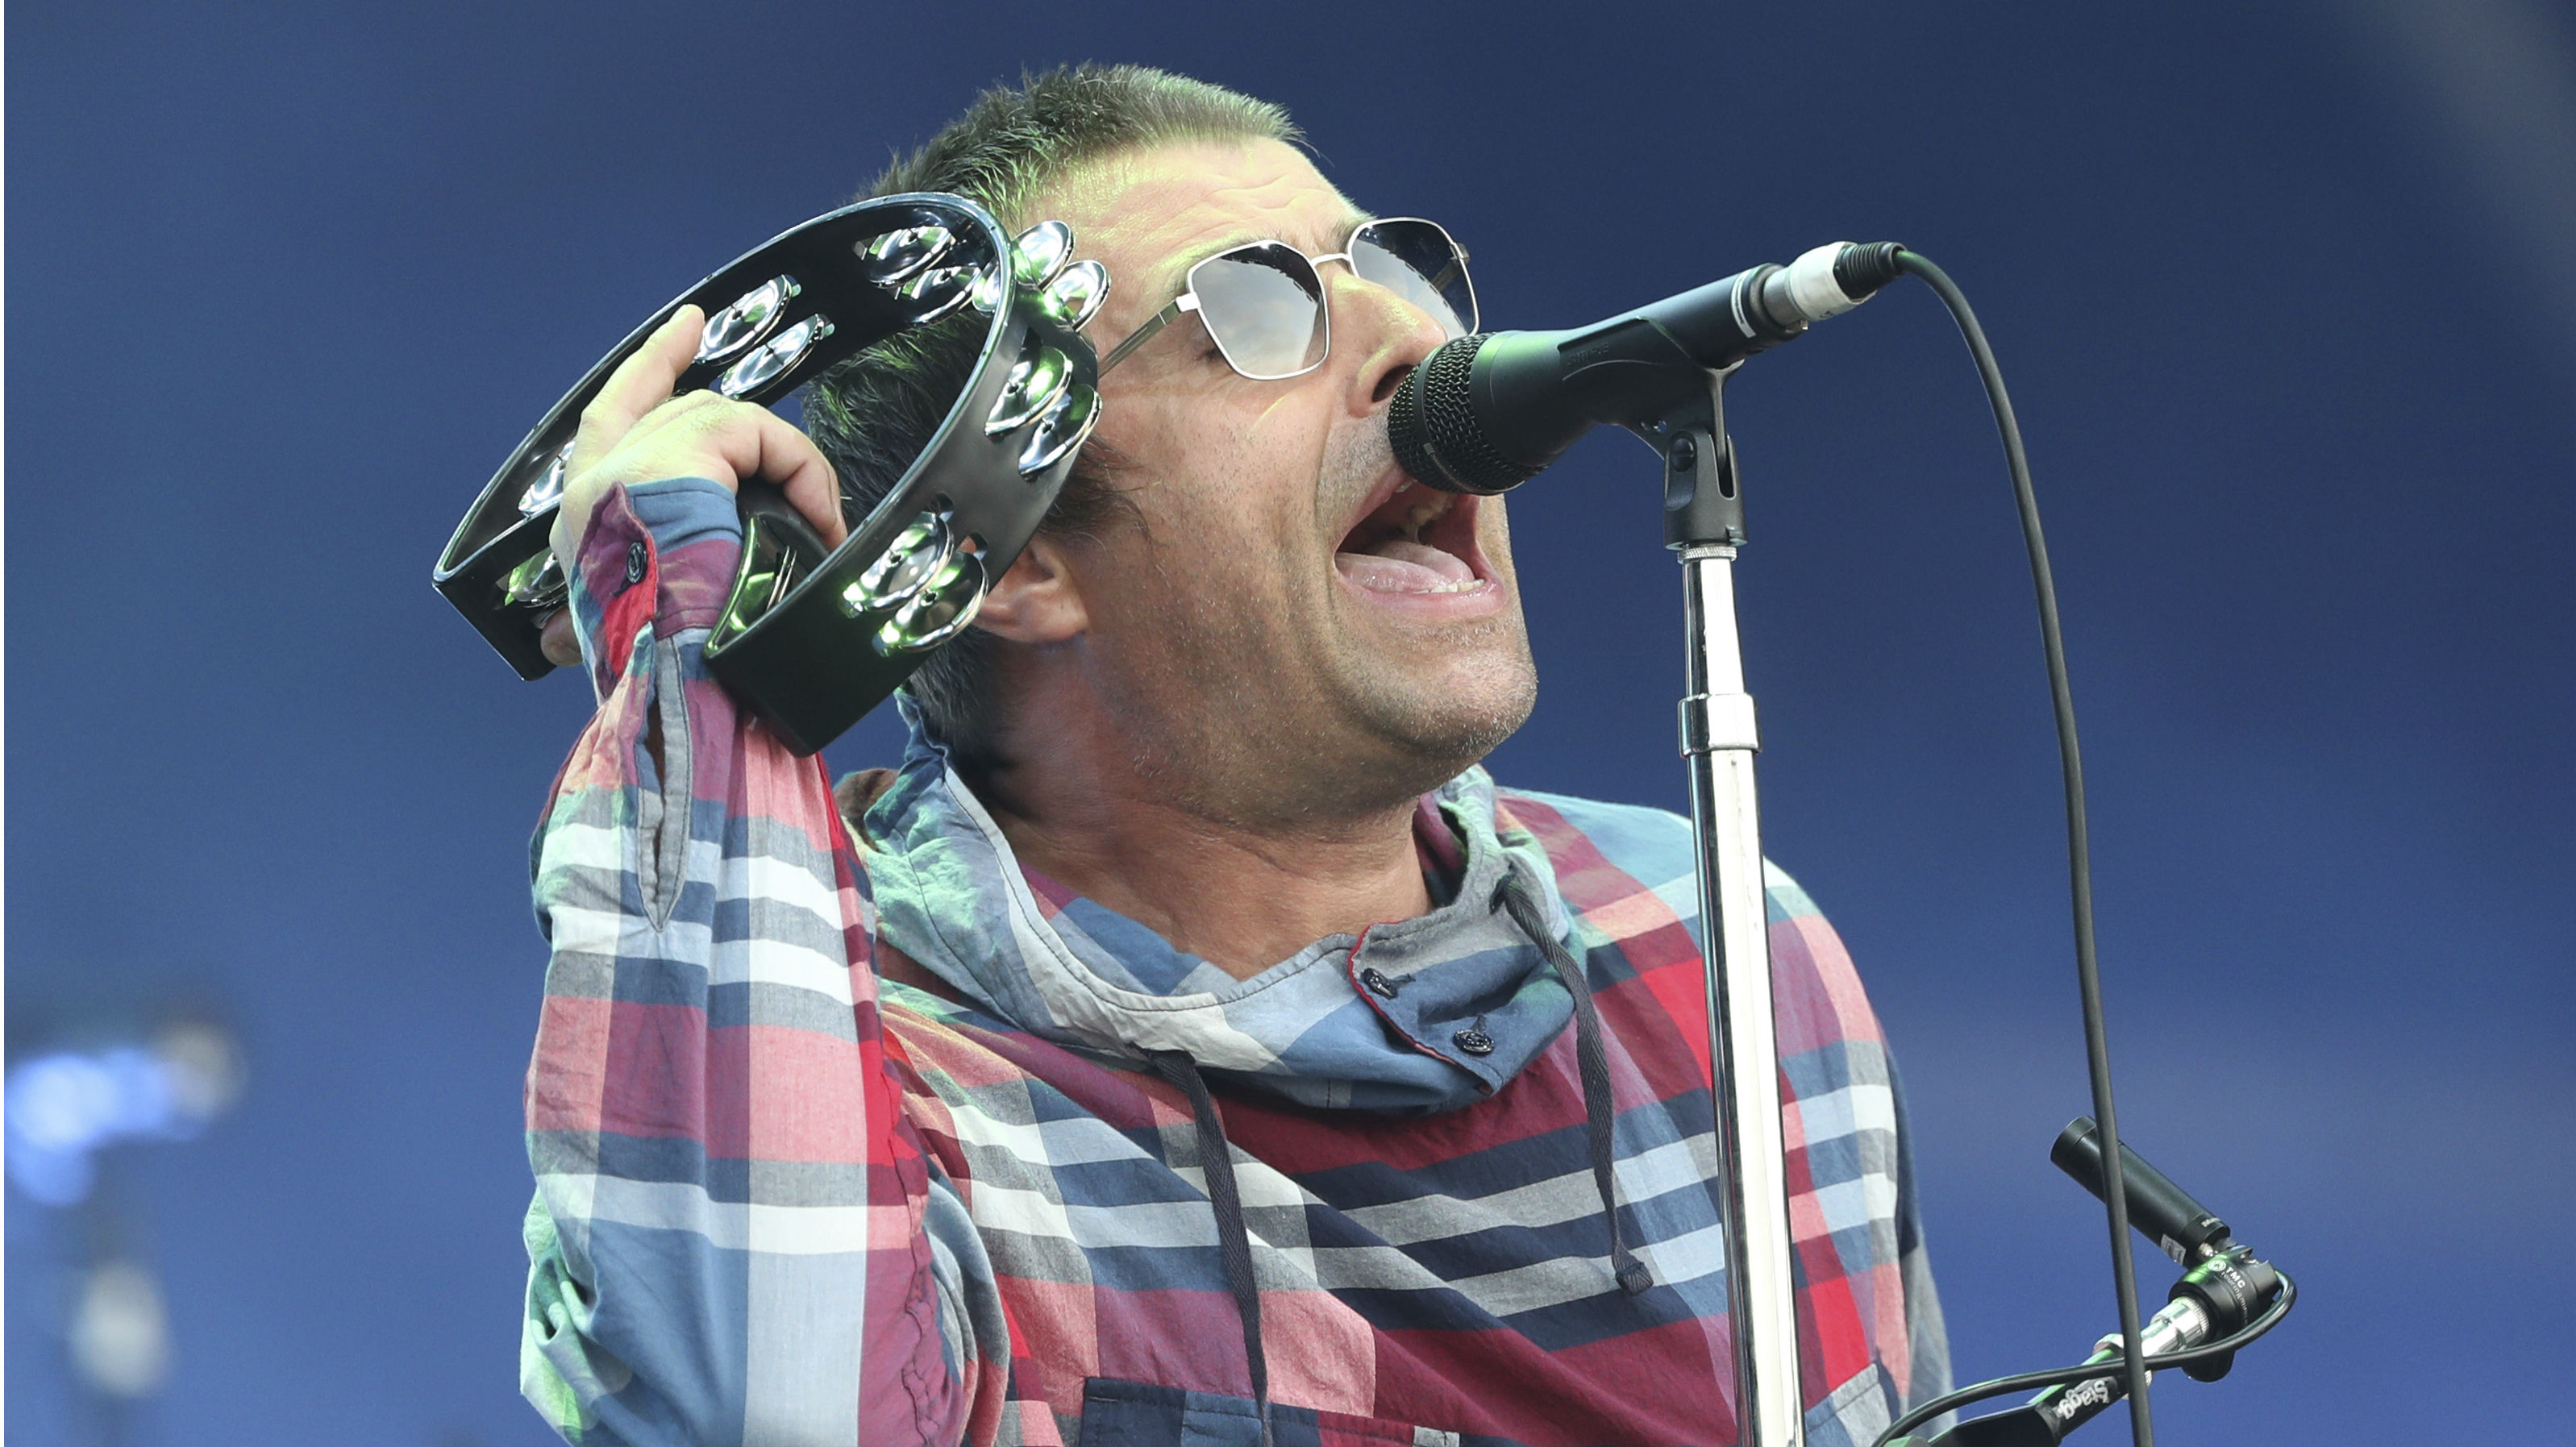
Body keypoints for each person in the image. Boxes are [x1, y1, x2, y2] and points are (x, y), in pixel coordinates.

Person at [515, 64, 1946, 1447]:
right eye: (1257, 311)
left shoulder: (1722, 941)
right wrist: (698, 658)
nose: (1411, 346)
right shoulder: (890, 1097)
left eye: (1390, 273)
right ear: (999, 552)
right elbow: (765, 1407)